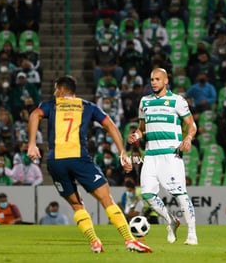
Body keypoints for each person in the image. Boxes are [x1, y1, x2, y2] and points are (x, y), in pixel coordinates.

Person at [27, 75, 152, 253]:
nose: (55, 93)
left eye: (56, 90)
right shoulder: (87, 106)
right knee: (106, 199)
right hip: (79, 159)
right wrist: (122, 152)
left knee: (77, 205)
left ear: (62, 90)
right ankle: (129, 240)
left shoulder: (52, 106)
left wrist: (32, 144)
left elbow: (34, 115)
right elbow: (110, 125)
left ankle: (94, 242)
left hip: (55, 162)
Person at [127, 68, 198, 245]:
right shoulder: (145, 101)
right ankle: (171, 220)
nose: (154, 82)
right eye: (152, 79)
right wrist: (136, 136)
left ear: (166, 81)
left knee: (180, 194)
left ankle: (192, 233)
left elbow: (192, 126)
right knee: (147, 194)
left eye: (157, 79)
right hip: (151, 155)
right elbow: (142, 128)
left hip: (171, 154)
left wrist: (188, 138)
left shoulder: (177, 101)